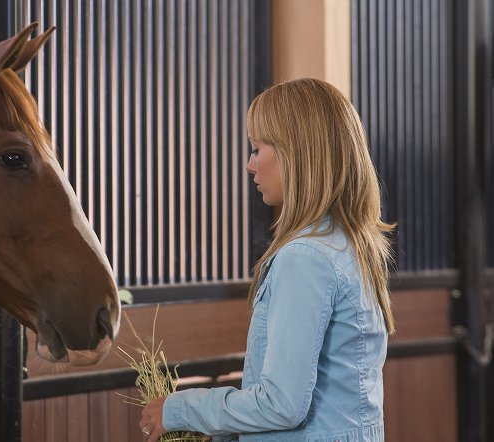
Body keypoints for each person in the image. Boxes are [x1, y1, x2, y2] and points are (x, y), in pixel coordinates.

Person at [139, 78, 395, 442]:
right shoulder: (352, 245)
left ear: (297, 154)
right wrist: (221, 426)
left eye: (258, 149)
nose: (249, 165)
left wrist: (180, 410)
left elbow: (281, 403)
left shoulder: (305, 258)